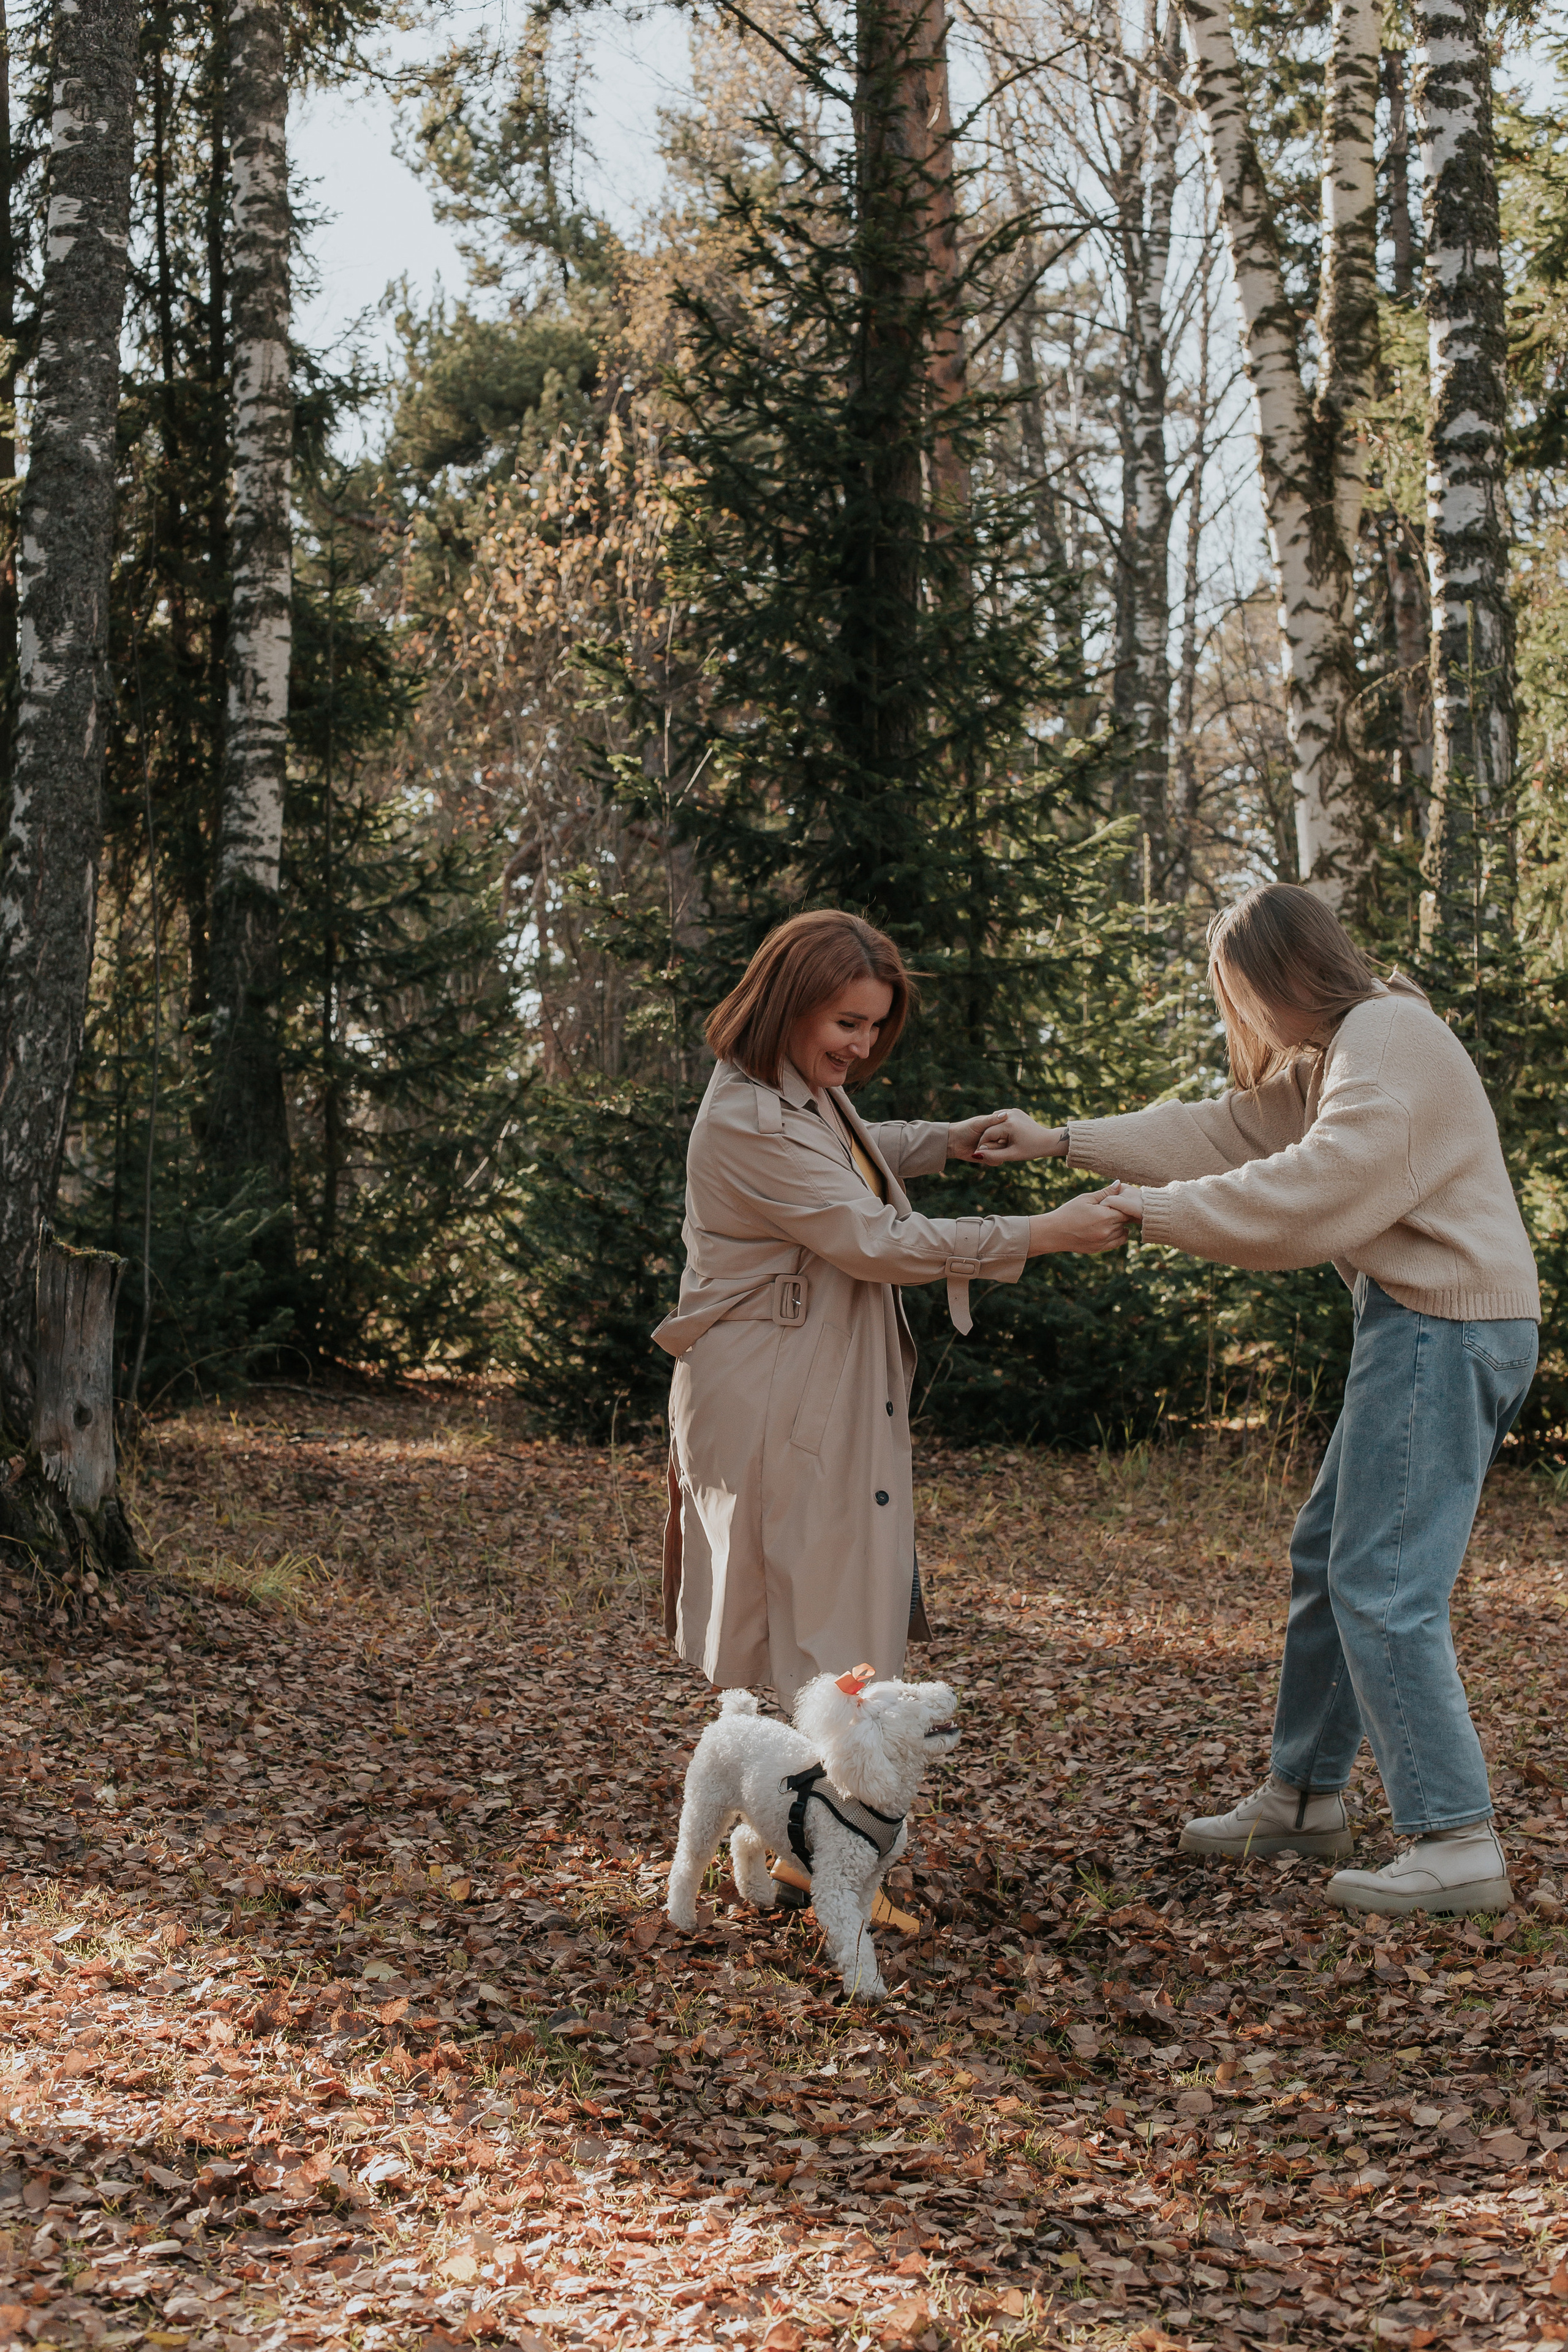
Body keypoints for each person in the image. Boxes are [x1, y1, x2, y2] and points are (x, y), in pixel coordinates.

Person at [975, 882, 1539, 1920]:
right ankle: (1306, 1798)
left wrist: (1143, 1215)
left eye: (1238, 993)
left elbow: (1315, 1189)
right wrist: (1062, 1141)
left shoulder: (1388, 1036)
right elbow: (1230, 1132)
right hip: (1424, 1324)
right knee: (1332, 1558)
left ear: (1279, 975)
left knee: (1382, 1582)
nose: (1242, 1018)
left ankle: (1456, 1839)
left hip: (1443, 1326)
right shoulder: (1344, 1048)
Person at [654, 909, 1127, 1705]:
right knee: (811, 1624)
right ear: (789, 1004)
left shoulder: (792, 1088)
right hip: (778, 1386)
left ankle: (799, 1809)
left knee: (836, 1613)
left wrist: (945, 1141)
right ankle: (815, 1810)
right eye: (847, 1023)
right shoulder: (750, 1120)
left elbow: (842, 1152)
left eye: (875, 1027)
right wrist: (1045, 1233)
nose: (864, 1047)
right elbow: (876, 1240)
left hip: (810, 1366)